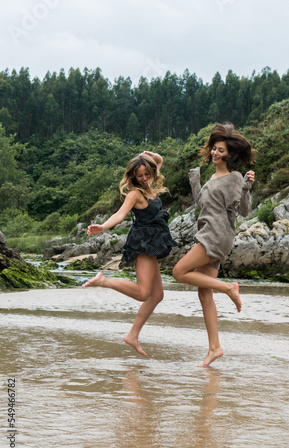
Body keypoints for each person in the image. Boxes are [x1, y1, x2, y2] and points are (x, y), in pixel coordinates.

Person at [172, 123, 255, 367]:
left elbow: (244, 211)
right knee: (203, 291)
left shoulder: (234, 178)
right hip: (211, 232)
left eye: (220, 150)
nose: (215, 153)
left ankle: (228, 288)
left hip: (216, 235)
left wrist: (247, 187)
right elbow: (202, 204)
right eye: (214, 149)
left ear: (230, 154)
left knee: (178, 272)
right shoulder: (214, 177)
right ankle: (214, 348)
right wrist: (195, 179)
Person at [82, 151, 177, 356]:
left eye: (146, 174)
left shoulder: (150, 183)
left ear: (151, 173)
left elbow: (159, 160)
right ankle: (104, 281)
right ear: (133, 177)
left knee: (157, 295)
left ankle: (132, 335)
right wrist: (103, 227)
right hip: (143, 243)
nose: (143, 179)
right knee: (144, 293)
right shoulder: (136, 193)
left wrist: (146, 155)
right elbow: (120, 214)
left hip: (153, 243)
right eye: (139, 176)